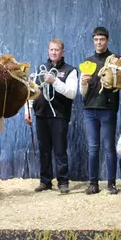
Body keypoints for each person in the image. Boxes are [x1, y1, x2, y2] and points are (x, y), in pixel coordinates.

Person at [25, 39, 78, 194]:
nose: (54, 52)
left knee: (60, 150)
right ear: (48, 51)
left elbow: (72, 93)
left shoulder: (70, 70)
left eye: (57, 50)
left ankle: (63, 182)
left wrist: (55, 81)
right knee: (44, 150)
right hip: (41, 114)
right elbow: (31, 91)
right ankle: (45, 181)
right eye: (52, 49)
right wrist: (27, 110)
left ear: (63, 52)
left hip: (60, 115)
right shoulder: (40, 69)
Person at [80, 26, 121, 195]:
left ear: (107, 40)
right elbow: (82, 94)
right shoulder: (87, 62)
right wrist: (83, 82)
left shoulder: (115, 60)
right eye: (96, 40)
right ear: (93, 41)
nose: (99, 42)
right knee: (93, 148)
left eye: (102, 39)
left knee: (109, 147)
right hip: (89, 108)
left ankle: (111, 183)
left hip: (108, 108)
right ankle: (93, 184)